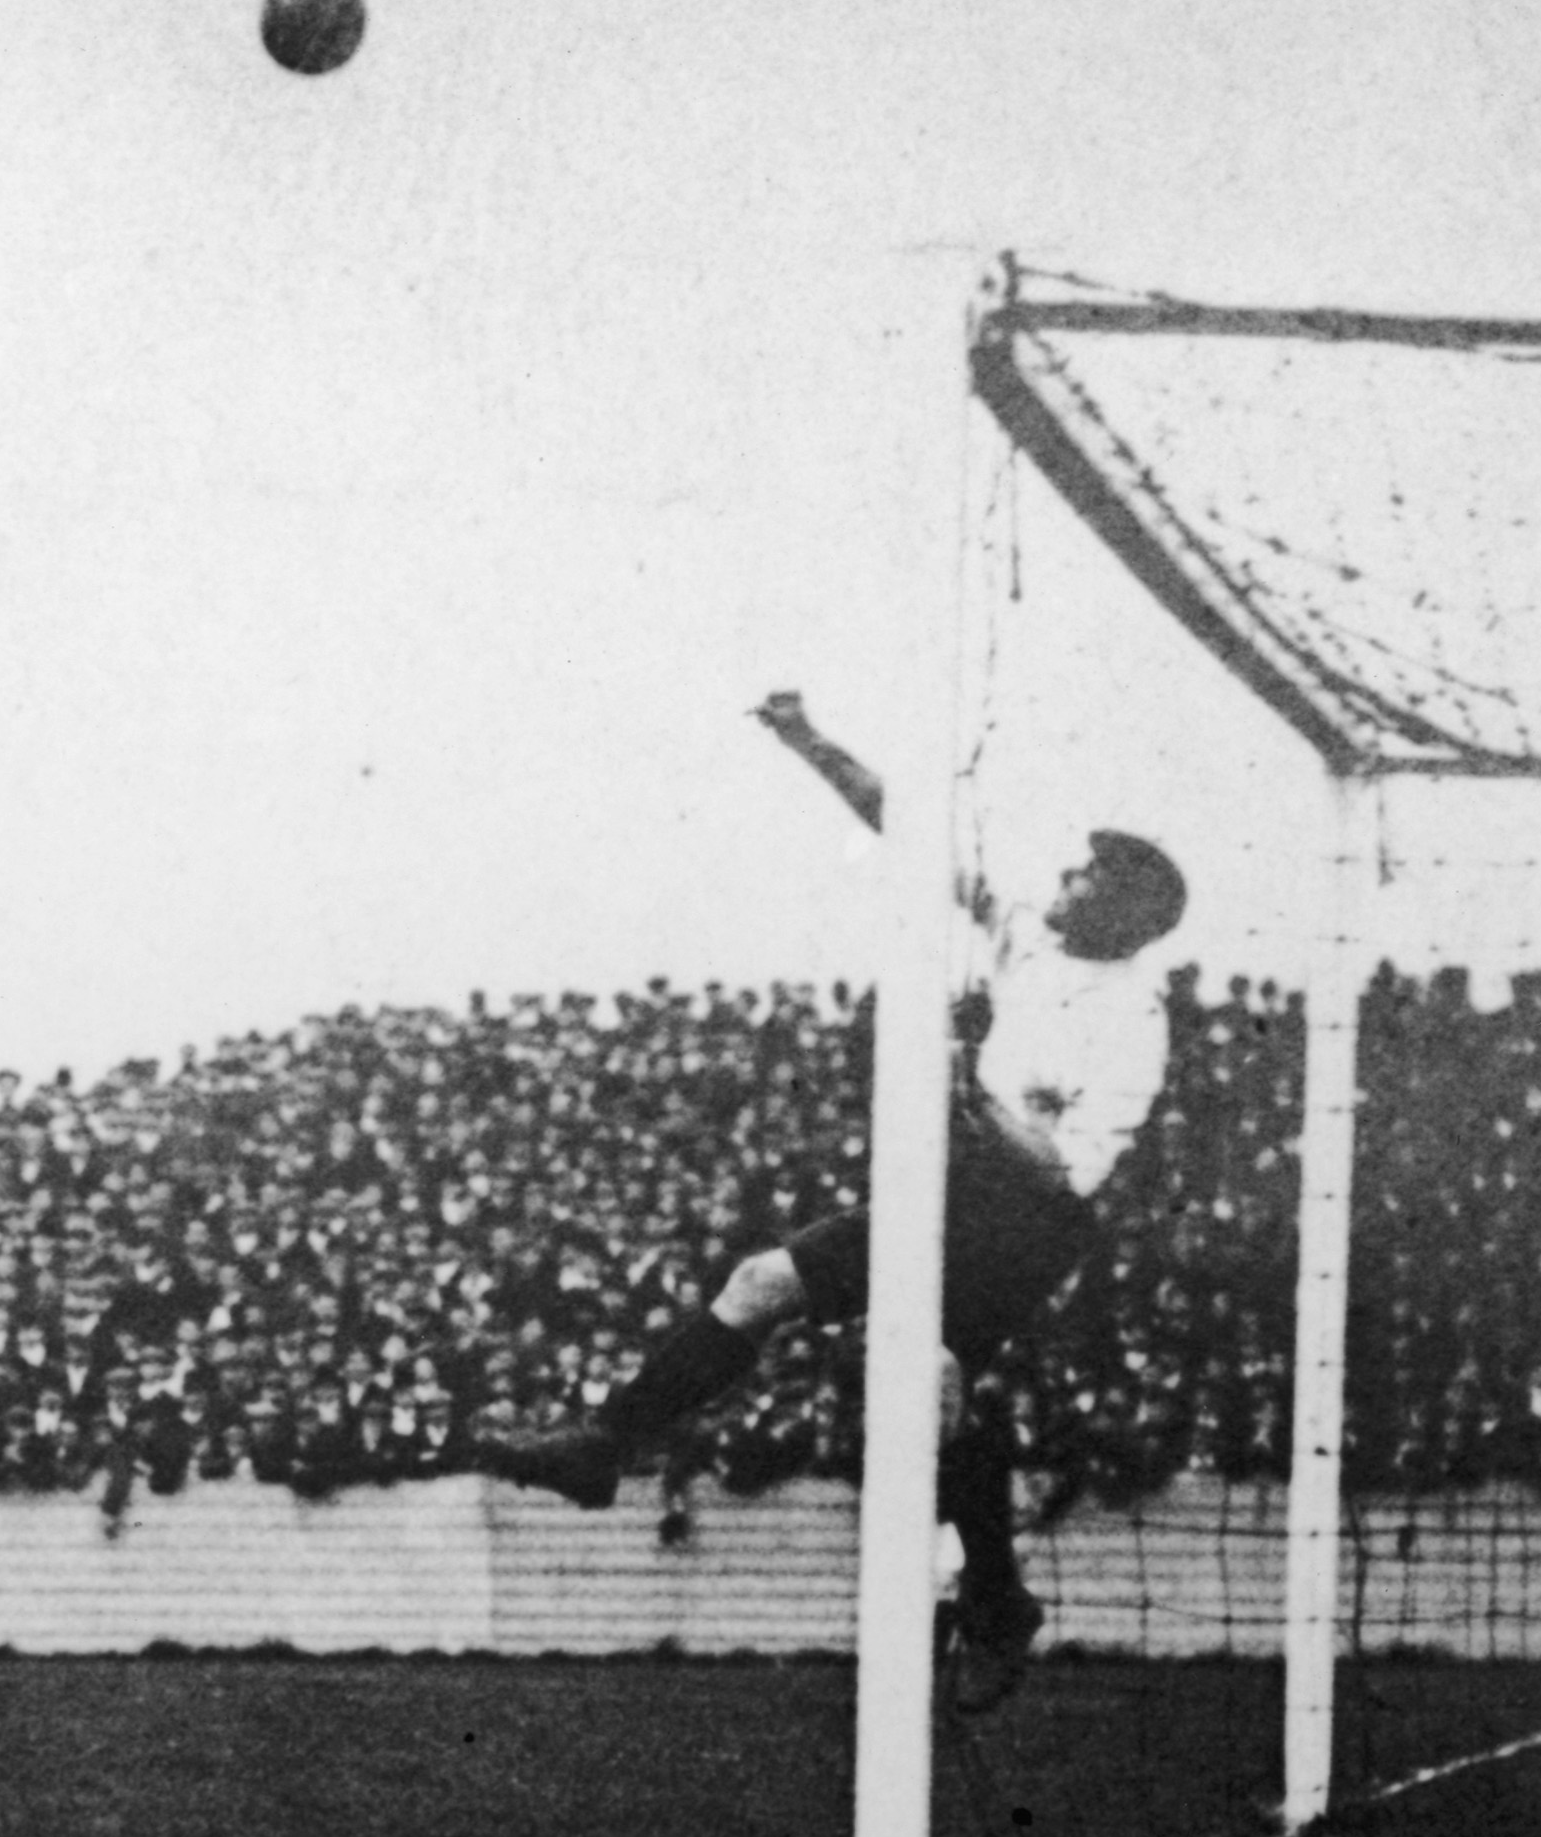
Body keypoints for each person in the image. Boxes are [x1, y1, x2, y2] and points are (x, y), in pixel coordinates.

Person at [496, 695, 1191, 1712]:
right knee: (760, 1282)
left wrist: (965, 1090)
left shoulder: (1134, 1020)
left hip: (1025, 1222)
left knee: (929, 1379)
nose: (1063, 879)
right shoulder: (1027, 938)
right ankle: (605, 1444)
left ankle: (994, 1599)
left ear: (1121, 911)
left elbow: (1062, 1169)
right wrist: (807, 740)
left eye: (1085, 876)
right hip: (953, 1177)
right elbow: (905, 824)